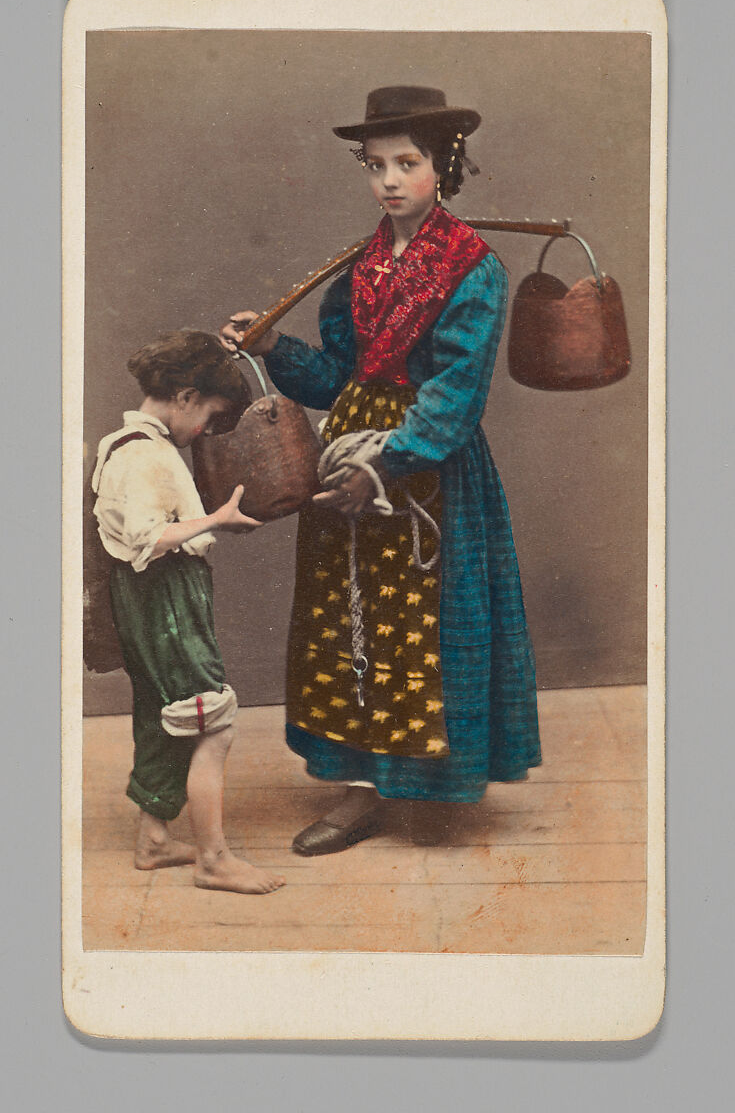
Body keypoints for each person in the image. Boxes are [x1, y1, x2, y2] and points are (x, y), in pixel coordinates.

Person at [221, 86, 542, 855]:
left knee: (423, 626)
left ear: (444, 166)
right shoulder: (360, 267)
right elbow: (339, 379)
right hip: (349, 458)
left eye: (408, 163)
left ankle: (430, 792)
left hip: (425, 466)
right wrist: (273, 350)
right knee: (348, 624)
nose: (389, 181)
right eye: (376, 166)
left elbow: (455, 392)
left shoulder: (474, 269)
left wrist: (385, 467)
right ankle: (361, 792)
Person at [92, 330, 285, 894]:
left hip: (141, 598)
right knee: (211, 724)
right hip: (164, 596)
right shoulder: (148, 454)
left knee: (163, 716)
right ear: (183, 396)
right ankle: (213, 859)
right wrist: (215, 520)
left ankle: (154, 839)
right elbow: (148, 540)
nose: (205, 430)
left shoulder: (118, 441)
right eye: (208, 415)